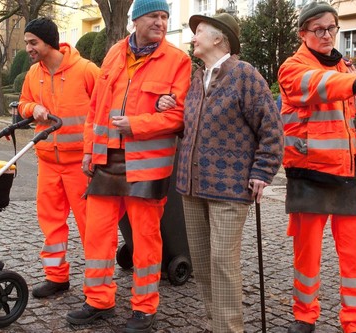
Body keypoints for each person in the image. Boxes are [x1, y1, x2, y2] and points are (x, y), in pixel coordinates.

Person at [65, 0, 191, 332]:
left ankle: (145, 308)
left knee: (146, 239)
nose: (161, 22)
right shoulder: (113, 54)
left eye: (165, 17)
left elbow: (178, 116)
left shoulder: (178, 60)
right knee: (98, 235)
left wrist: (135, 125)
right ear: (136, 20)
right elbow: (96, 109)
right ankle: (98, 300)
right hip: (107, 162)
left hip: (148, 168)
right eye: (154, 16)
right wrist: (89, 152)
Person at [158, 13, 283, 332]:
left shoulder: (245, 75)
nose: (192, 37)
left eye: (199, 31)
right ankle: (216, 324)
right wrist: (169, 104)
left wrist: (263, 171)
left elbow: (271, 130)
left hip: (230, 189)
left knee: (223, 264)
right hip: (191, 186)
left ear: (219, 38)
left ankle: (229, 329)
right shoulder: (197, 79)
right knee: (202, 264)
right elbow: (190, 126)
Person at [277, 2, 356, 333]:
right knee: (307, 258)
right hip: (309, 176)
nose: (327, 34)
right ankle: (304, 316)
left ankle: (355, 324)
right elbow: (317, 85)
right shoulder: (292, 67)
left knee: (355, 259)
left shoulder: (347, 68)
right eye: (319, 29)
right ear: (303, 34)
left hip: (348, 176)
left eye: (332, 28)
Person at [18, 17, 99, 299]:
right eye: (27, 42)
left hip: (81, 166)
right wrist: (33, 108)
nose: (28, 47)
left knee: (92, 227)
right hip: (48, 163)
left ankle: (98, 290)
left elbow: (104, 109)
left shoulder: (86, 70)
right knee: (51, 223)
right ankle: (56, 277)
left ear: (49, 42)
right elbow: (22, 103)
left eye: (33, 42)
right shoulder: (32, 73)